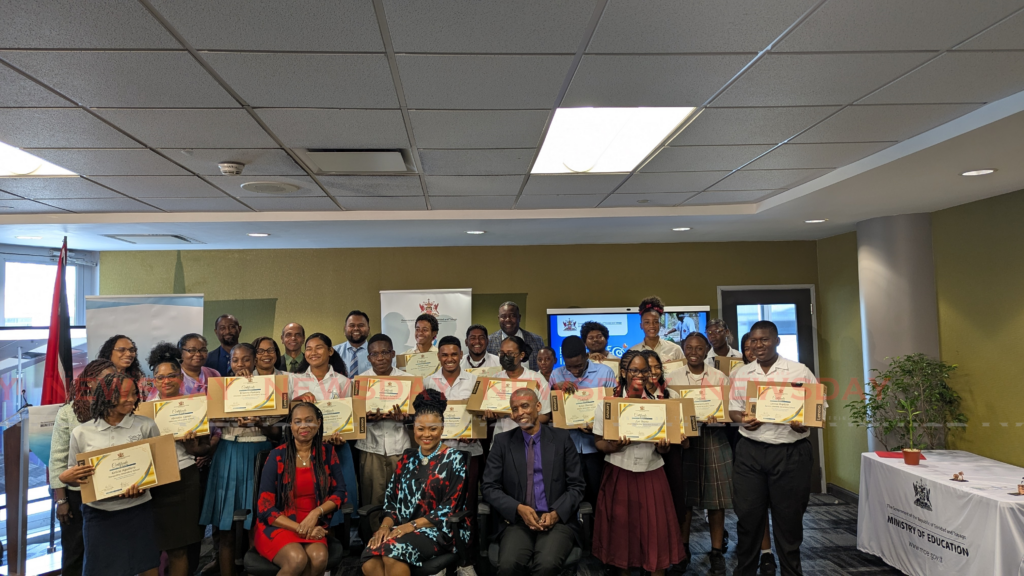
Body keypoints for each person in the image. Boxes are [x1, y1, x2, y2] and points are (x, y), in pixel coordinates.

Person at [729, 321, 818, 576]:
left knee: (788, 522)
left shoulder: (799, 371)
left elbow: (817, 409)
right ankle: (745, 571)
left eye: (765, 340)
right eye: (754, 341)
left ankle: (791, 572)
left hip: (790, 453)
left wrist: (806, 423)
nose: (759, 345)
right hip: (750, 452)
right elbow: (733, 410)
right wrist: (742, 419)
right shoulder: (742, 374)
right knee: (747, 518)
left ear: (777, 341)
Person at [592, 351, 685, 576]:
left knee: (656, 536)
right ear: (623, 373)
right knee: (622, 537)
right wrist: (614, 446)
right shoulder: (608, 404)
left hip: (651, 472)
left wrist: (664, 446)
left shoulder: (661, 405)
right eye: (634, 370)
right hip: (619, 472)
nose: (641, 375)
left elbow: (665, 447)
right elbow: (598, 442)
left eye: (645, 370)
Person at [59, 373, 161, 576]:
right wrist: (66, 478)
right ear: (106, 395)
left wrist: (144, 485)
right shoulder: (82, 433)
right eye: (125, 394)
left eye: (134, 394)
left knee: (146, 565)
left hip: (138, 510)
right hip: (99, 514)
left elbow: (159, 468)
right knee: (101, 569)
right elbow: (78, 476)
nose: (132, 399)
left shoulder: (146, 426)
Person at [361, 389, 470, 575]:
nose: (426, 435)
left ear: (442, 429)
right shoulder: (406, 458)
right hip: (401, 529)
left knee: (390, 554)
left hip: (439, 532)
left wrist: (410, 526)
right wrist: (385, 526)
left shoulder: (455, 459)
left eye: (433, 429)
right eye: (421, 429)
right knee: (370, 561)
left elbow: (449, 509)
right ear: (414, 429)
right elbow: (391, 500)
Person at [481, 387, 585, 576]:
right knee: (507, 565)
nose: (520, 413)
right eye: (515, 409)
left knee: (546, 565)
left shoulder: (561, 439)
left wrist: (556, 514)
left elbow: (577, 486)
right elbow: (489, 487)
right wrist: (518, 508)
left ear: (538, 406)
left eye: (525, 406)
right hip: (517, 520)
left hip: (556, 520)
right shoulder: (503, 442)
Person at [199, 342, 276, 576]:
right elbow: (214, 423)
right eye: (235, 360)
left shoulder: (268, 386)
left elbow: (276, 431)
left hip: (258, 453)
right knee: (226, 525)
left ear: (254, 361)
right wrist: (231, 417)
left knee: (257, 522)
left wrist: (259, 422)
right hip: (228, 453)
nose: (240, 364)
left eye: (245, 360)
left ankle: (256, 571)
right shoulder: (220, 388)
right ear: (229, 362)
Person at [254, 402, 349, 576]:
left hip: (312, 524)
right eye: (297, 421)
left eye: (309, 420)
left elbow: (340, 493)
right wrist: (301, 528)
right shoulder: (277, 456)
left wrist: (315, 514)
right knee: (297, 559)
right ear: (291, 426)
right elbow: (265, 508)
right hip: (280, 525)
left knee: (319, 557)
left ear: (319, 423)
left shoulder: (328, 452)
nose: (303, 426)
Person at [666, 333, 733, 576]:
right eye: (689, 347)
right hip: (684, 442)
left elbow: (730, 411)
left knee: (716, 501)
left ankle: (716, 552)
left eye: (699, 348)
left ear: (707, 351)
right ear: (683, 349)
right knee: (684, 501)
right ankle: (682, 553)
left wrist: (721, 416)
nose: (694, 351)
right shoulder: (671, 378)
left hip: (714, 439)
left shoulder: (719, 377)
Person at [146, 344, 212, 576]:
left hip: (184, 480)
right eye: (160, 377)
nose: (166, 381)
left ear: (179, 377)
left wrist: (192, 446)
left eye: (171, 375)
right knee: (149, 550)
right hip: (152, 484)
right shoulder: (143, 409)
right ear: (153, 381)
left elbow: (204, 447)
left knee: (180, 549)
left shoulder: (194, 405)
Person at [49, 359, 117, 576]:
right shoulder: (69, 412)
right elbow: (57, 461)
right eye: (105, 380)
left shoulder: (121, 410)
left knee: (108, 554)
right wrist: (61, 501)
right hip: (78, 496)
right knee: (75, 554)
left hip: (113, 492)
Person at [425, 335, 482, 576]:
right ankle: (439, 559)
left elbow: (480, 414)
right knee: (437, 507)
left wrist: (474, 430)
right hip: (438, 454)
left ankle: (465, 561)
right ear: (439, 356)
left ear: (462, 355)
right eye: (445, 354)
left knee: (466, 507)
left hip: (469, 451)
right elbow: (425, 418)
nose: (449, 358)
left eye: (454, 354)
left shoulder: (476, 380)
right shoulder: (429, 381)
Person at [291, 333, 360, 525]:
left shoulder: (344, 382)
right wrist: (297, 400)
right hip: (304, 450)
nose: (313, 352)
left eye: (319, 347)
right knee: (309, 497)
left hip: (337, 449)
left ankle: (340, 546)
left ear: (330, 351)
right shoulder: (294, 381)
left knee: (339, 500)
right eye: (309, 348)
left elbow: (352, 418)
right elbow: (285, 414)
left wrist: (344, 436)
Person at [547, 335, 615, 505]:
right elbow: (549, 411)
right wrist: (555, 391)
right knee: (570, 495)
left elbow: (612, 409)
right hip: (567, 446)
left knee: (597, 495)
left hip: (596, 447)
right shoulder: (556, 375)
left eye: (578, 366)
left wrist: (597, 425)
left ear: (586, 356)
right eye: (569, 367)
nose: (574, 371)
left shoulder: (605, 372)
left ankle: (596, 530)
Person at [354, 333, 411, 532]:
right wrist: (365, 419)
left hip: (400, 448)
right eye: (375, 354)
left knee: (401, 497)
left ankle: (400, 540)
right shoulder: (360, 382)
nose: (380, 358)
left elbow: (418, 417)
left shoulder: (408, 381)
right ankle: (372, 542)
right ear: (368, 357)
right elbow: (353, 419)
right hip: (371, 448)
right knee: (372, 499)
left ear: (393, 354)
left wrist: (406, 418)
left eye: (385, 352)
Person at [488, 335, 551, 435]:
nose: (505, 357)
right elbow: (487, 410)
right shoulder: (495, 379)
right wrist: (488, 414)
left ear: (521, 355)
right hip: (501, 437)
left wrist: (524, 422)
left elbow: (545, 415)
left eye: (510, 353)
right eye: (502, 353)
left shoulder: (537, 379)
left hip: (529, 438)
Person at [486, 301, 545, 371]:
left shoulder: (536, 340)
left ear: (519, 318)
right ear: (498, 318)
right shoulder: (489, 342)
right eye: (503, 316)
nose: (508, 319)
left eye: (512, 316)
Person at [629, 296, 684, 362]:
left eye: (655, 321)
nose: (652, 325)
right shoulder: (632, 353)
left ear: (660, 325)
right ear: (641, 325)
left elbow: (683, 371)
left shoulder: (675, 349)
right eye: (647, 322)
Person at [334, 311, 371, 376]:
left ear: (368, 329)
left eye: (361, 325)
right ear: (345, 329)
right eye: (352, 325)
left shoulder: (377, 353)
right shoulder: (334, 352)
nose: (356, 328)